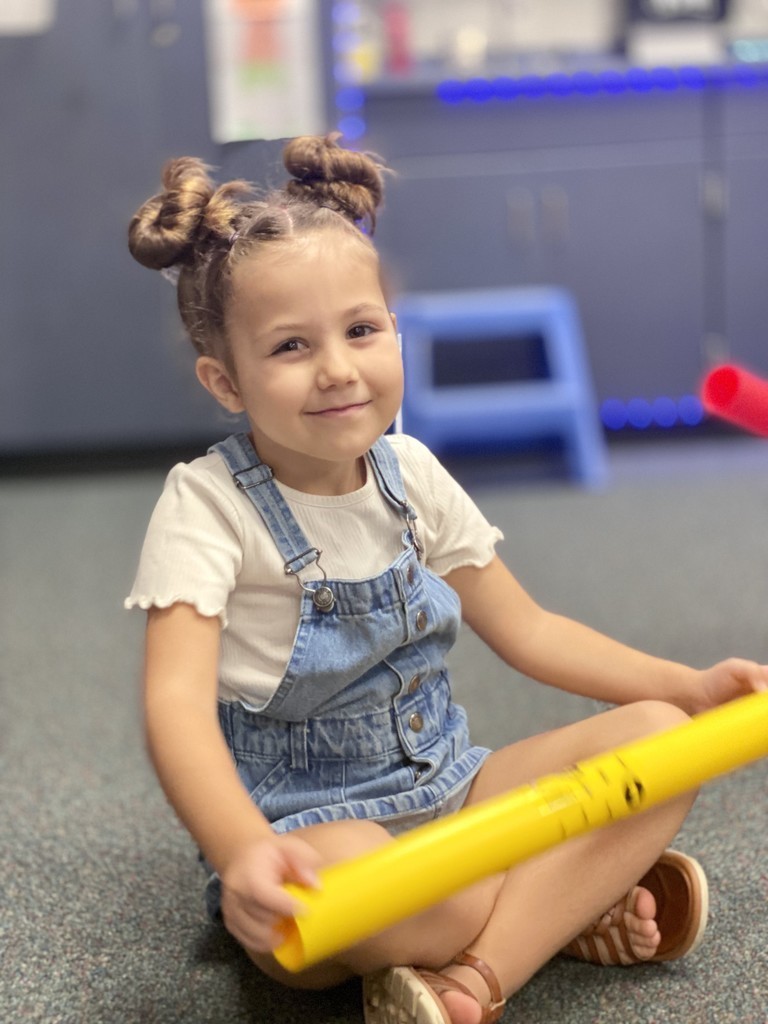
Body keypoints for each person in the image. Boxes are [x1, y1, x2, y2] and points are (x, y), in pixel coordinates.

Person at [125, 134, 767, 1024]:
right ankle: (556, 910)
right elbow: (175, 707)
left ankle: (474, 977)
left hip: (455, 796)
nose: (339, 368)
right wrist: (241, 854)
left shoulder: (411, 473)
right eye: (290, 347)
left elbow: (530, 629)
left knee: (661, 741)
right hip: (314, 839)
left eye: (361, 329)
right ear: (225, 381)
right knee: (423, 882)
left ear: (394, 329)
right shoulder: (206, 506)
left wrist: (689, 686)